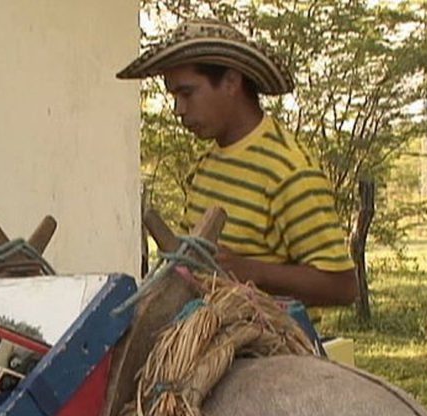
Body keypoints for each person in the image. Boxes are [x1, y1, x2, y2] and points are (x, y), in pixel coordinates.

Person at [117, 19, 358, 312]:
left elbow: (343, 287)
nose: (178, 110)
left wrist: (253, 271)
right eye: (174, 97)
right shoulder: (206, 165)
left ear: (231, 82)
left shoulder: (288, 171)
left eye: (187, 93)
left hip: (267, 349)